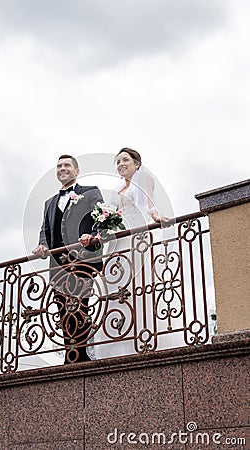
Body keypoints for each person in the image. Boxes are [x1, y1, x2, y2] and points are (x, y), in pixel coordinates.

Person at [82, 148, 170, 360]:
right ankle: (116, 341)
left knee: (137, 287)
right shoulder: (118, 188)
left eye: (125, 160)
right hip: (118, 244)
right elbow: (110, 216)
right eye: (118, 161)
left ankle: (141, 338)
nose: (121, 164)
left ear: (136, 164)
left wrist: (157, 217)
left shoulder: (144, 178)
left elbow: (149, 205)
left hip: (136, 240)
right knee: (116, 290)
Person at [32, 154, 103, 363]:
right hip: (57, 264)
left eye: (67, 165)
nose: (62, 168)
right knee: (62, 308)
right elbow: (45, 229)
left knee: (81, 305)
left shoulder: (90, 192)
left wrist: (93, 236)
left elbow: (102, 218)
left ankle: (82, 355)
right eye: (59, 166)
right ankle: (70, 355)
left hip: (83, 260)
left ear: (77, 171)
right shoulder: (49, 202)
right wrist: (42, 245)